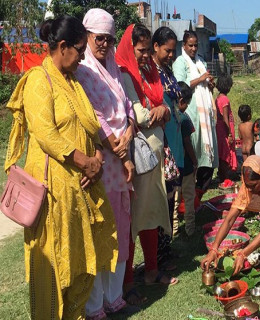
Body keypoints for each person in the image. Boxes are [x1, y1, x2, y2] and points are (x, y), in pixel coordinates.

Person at [4, 15, 118, 318]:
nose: (83, 58)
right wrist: (84, 161)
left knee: (80, 267)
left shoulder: (73, 82)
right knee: (52, 269)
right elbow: (45, 134)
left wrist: (98, 161)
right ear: (63, 46)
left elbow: (90, 129)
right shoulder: (38, 81)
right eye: (80, 50)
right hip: (51, 196)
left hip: (77, 194)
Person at [74, 9, 136, 317]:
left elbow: (127, 105)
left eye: (109, 40)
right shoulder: (81, 69)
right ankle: (95, 303)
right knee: (100, 231)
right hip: (101, 161)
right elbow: (94, 117)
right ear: (86, 37)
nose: (105, 45)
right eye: (100, 39)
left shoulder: (112, 67)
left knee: (120, 228)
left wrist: (130, 129)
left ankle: (114, 296)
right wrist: (120, 148)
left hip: (122, 162)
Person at [115, 24, 177, 287]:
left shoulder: (149, 71)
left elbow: (163, 107)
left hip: (153, 155)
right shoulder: (125, 73)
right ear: (130, 48)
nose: (144, 55)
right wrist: (160, 111)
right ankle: (128, 280)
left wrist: (162, 110)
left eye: (146, 49)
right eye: (140, 50)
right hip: (137, 158)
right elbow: (140, 116)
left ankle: (151, 270)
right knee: (133, 218)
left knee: (151, 213)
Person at [173, 30, 218, 204]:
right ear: (183, 45)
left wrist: (209, 83)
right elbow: (180, 86)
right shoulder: (180, 62)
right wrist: (200, 79)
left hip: (204, 116)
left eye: (195, 45)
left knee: (206, 158)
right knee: (194, 153)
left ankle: (197, 196)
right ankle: (189, 199)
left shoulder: (200, 61)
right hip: (191, 113)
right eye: (190, 45)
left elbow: (204, 86)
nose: (193, 48)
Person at [151, 26, 183, 270]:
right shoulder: (151, 73)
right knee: (160, 196)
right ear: (155, 47)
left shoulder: (167, 71)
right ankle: (158, 254)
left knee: (171, 191)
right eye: (167, 50)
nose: (171, 55)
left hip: (172, 138)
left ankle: (167, 247)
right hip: (159, 139)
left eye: (173, 51)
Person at [177, 82, 199, 236]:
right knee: (189, 196)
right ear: (182, 102)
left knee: (175, 198)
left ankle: (173, 229)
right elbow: (187, 143)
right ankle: (190, 228)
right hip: (186, 165)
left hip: (174, 166)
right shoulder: (184, 119)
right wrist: (195, 160)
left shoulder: (171, 117)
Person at [215, 74, 237, 187]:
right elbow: (225, 117)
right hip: (224, 130)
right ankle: (225, 178)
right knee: (226, 153)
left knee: (222, 152)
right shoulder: (225, 99)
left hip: (219, 129)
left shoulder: (218, 98)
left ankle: (221, 175)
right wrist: (229, 133)